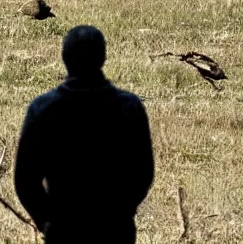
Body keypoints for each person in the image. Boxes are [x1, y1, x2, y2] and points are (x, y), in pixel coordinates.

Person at [14, 25, 154, 243]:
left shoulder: (43, 110)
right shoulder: (129, 108)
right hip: (115, 229)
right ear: (103, 57)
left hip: (65, 229)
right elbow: (143, 173)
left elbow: (25, 181)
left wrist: (47, 221)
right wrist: (121, 213)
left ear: (64, 57)